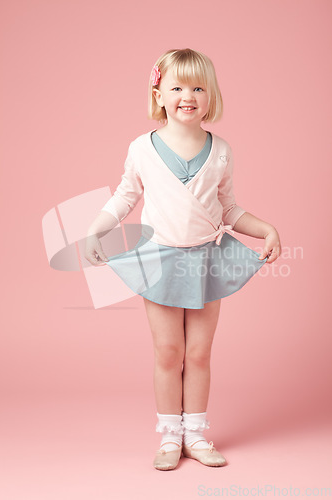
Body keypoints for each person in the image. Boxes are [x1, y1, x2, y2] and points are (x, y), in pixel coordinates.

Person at [84, 48, 282, 471]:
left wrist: (266, 228)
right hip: (159, 260)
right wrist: (95, 228)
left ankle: (196, 431)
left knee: (200, 352)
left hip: (207, 260)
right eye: (176, 87)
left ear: (211, 96)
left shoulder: (222, 150)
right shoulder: (142, 148)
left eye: (198, 87)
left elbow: (228, 209)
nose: (187, 95)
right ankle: (170, 435)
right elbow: (126, 195)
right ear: (159, 94)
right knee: (168, 350)